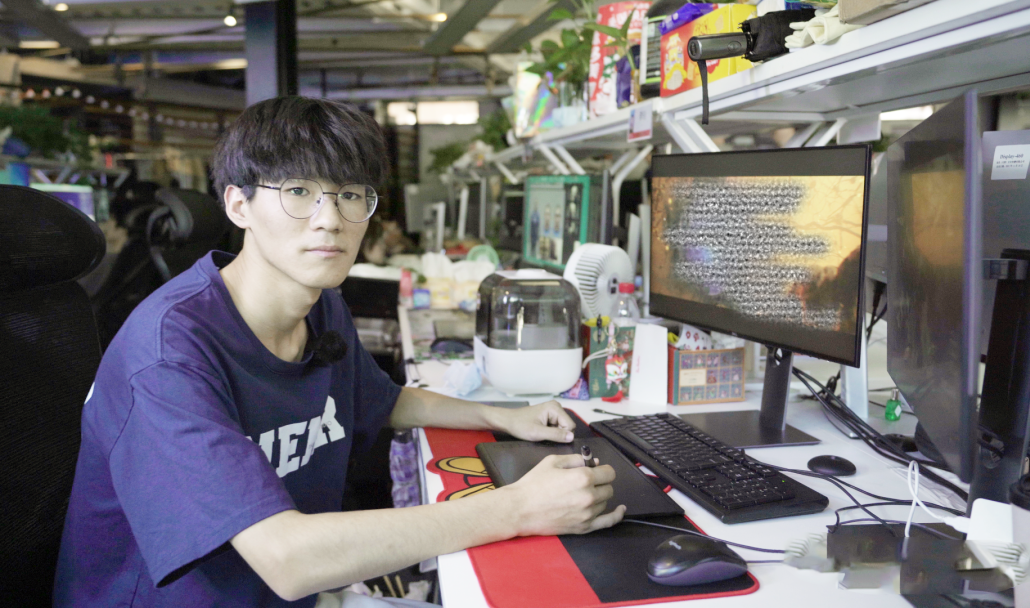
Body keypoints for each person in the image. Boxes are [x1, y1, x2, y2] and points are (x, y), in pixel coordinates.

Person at [53, 97, 625, 607]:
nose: (330, 220)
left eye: (349, 195)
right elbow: (288, 560)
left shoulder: (319, 304)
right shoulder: (169, 357)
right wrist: (519, 508)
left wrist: (503, 416)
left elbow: (381, 400)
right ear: (238, 205)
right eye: (298, 192)